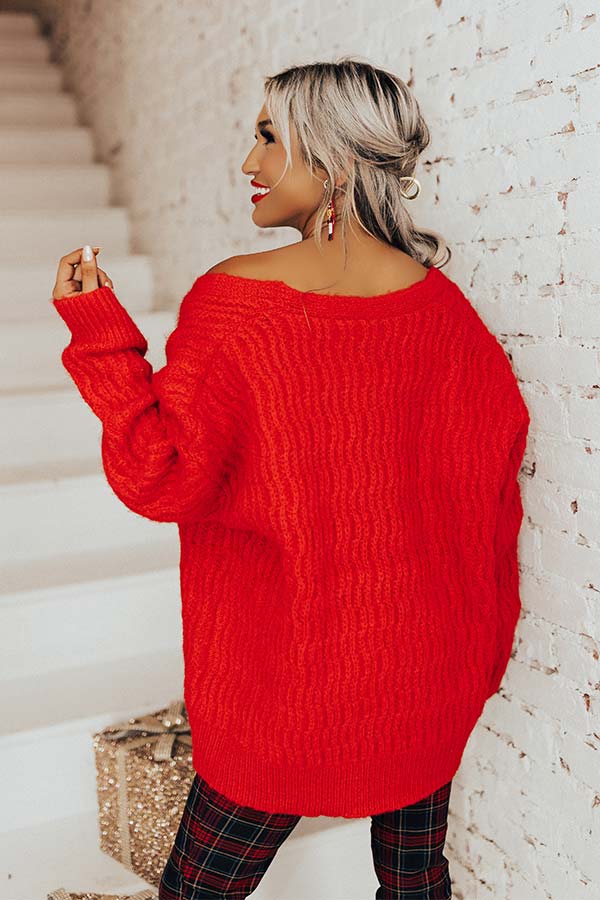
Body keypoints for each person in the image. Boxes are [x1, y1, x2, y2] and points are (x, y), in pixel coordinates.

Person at [51, 58, 530, 900]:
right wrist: (477, 660)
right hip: (429, 670)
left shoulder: (239, 303)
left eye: (269, 138)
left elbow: (159, 476)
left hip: (286, 689)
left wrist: (99, 334)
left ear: (332, 158)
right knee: (415, 884)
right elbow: (491, 510)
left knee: (198, 891)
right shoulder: (450, 316)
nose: (250, 162)